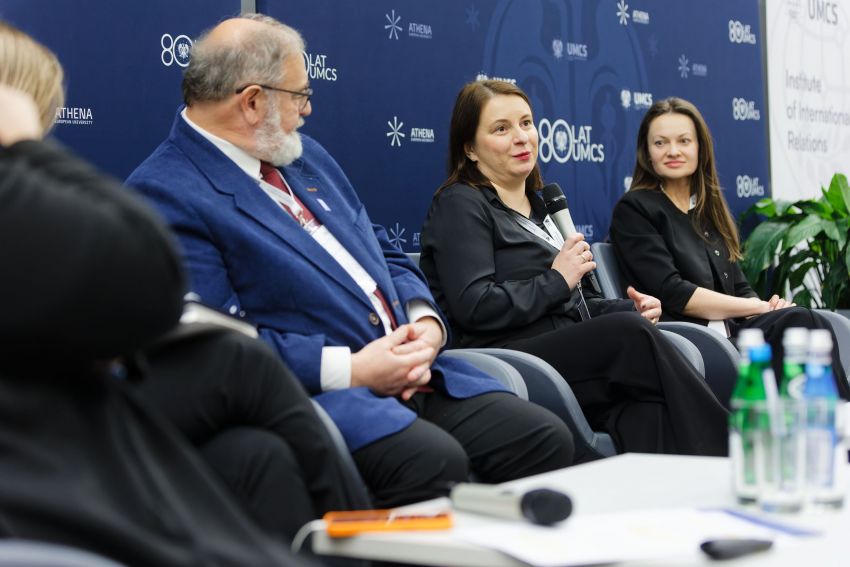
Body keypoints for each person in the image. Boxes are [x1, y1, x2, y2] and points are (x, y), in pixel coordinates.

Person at [127, 14, 574, 508]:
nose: (308, 110)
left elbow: (380, 247)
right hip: (325, 397)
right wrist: (354, 369)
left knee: (542, 436)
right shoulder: (167, 192)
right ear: (253, 102)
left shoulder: (305, 155)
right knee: (433, 461)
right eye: (299, 96)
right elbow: (217, 345)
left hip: (420, 372)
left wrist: (423, 322)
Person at [0, 19, 357, 560]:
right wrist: (23, 146)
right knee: (238, 362)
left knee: (254, 456)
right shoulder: (154, 182)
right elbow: (147, 272)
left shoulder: (310, 163)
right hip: (41, 439)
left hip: (79, 415)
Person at [419, 80, 728, 458]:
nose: (521, 138)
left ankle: (660, 509)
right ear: (470, 148)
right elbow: (475, 305)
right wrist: (557, 279)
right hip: (508, 357)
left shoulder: (543, 207)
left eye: (526, 123)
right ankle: (731, 451)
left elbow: (580, 302)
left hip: (569, 348)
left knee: (644, 410)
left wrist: (630, 307)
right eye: (502, 129)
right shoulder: (461, 204)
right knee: (626, 334)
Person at [609, 97, 849, 398]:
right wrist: (760, 307)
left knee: (802, 320)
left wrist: (770, 307)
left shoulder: (707, 212)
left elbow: (740, 288)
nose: (673, 151)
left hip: (734, 335)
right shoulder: (635, 209)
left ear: (700, 148)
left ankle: (830, 425)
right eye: (660, 143)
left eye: (684, 141)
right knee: (801, 321)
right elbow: (676, 294)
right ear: (647, 152)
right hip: (688, 341)